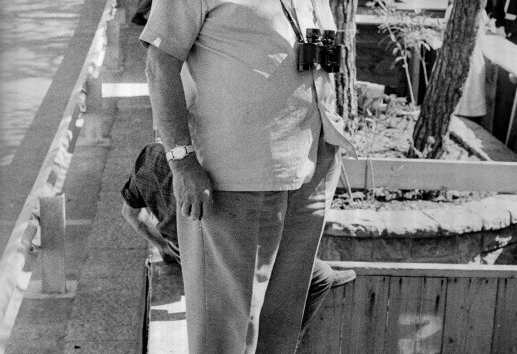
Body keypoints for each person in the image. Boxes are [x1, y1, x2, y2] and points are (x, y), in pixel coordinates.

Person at [140, 0, 355, 354]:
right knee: (224, 332)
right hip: (231, 176)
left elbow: (317, 48)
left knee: (281, 327)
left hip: (307, 167)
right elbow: (160, 61)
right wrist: (182, 162)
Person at [121, 144, 356, 337]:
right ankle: (287, 341)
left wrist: (164, 246)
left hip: (190, 255)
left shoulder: (149, 157)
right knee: (321, 275)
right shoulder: (213, 163)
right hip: (224, 256)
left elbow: (130, 214)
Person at [444, 0, 487, 122]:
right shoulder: (479, 9)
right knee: (470, 101)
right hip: (474, 58)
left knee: (460, 101)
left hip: (459, 58)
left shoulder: (452, 9)